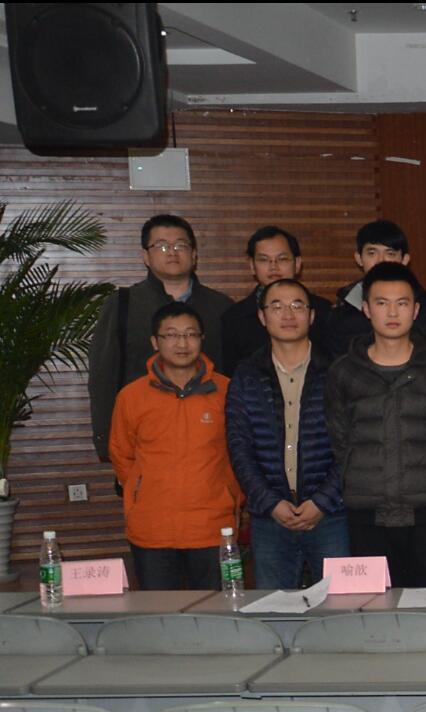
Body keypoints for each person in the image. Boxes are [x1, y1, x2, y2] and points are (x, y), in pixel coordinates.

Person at [324, 261, 426, 588]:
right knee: (373, 608)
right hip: (367, 512)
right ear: (366, 309)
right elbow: (340, 439)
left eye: (401, 303)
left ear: (415, 310)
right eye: (381, 302)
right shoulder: (343, 372)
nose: (392, 312)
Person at [223, 279, 348, 589]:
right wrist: (270, 502)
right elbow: (239, 447)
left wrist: (322, 501)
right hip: (270, 518)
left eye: (297, 306)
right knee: (274, 607)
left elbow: (353, 445)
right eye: (277, 306)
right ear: (262, 316)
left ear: (312, 315)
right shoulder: (246, 375)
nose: (288, 315)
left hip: (330, 515)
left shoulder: (338, 371)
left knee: (339, 607)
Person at [109, 302, 242, 590]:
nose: (182, 343)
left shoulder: (228, 391)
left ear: (202, 339)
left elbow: (241, 452)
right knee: (159, 611)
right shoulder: (131, 396)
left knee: (216, 609)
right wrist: (141, 491)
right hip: (152, 528)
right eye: (171, 335)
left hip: (213, 526)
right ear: (154, 342)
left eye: (191, 334)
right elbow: (121, 454)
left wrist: (231, 494)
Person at [88, 214, 233, 460]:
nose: (172, 252)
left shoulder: (221, 307)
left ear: (194, 254)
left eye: (181, 245)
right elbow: (104, 375)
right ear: (145, 256)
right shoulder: (123, 304)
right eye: (162, 246)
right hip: (144, 438)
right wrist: (107, 441)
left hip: (211, 438)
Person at [219, 226, 331, 378]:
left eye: (282, 259)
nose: (273, 267)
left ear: (297, 263)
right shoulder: (234, 318)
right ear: (252, 266)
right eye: (264, 260)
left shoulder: (324, 311)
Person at [325, 219, 426, 356]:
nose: (380, 260)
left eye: (390, 254)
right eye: (372, 253)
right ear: (359, 258)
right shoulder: (342, 310)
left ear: (405, 260)